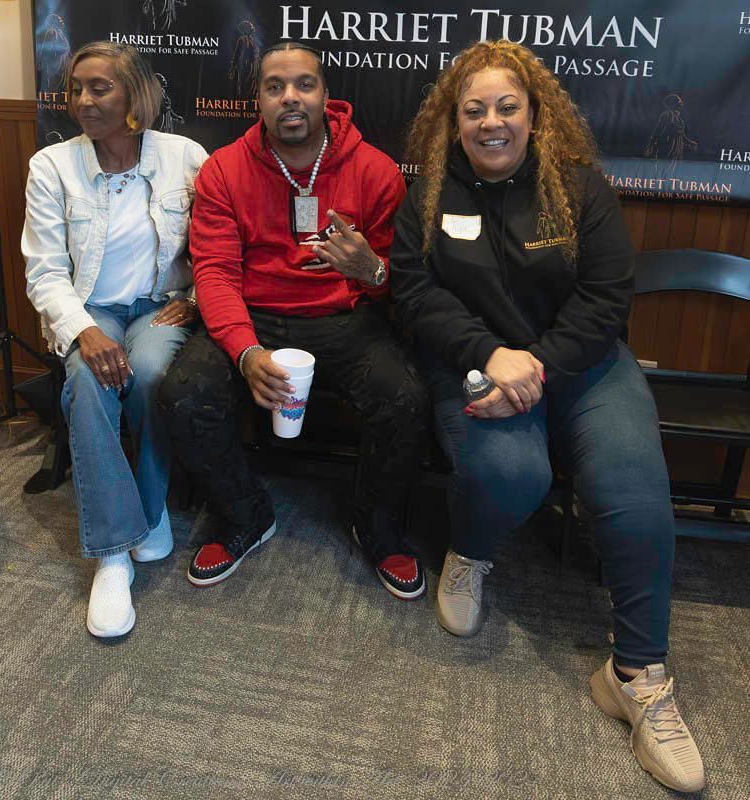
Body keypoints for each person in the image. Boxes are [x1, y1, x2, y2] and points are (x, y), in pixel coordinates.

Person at [390, 40, 704, 793]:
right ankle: (468, 552)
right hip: (473, 367)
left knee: (632, 499)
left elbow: (605, 299)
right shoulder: (429, 193)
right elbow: (410, 291)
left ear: (534, 115)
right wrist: (485, 353)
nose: (491, 122)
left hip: (584, 367)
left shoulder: (578, 188)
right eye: (474, 110)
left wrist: (534, 366)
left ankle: (635, 675)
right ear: (451, 120)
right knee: (510, 472)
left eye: (507, 107)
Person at [158, 42, 428, 599]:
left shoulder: (375, 171)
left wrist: (371, 269)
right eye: (275, 86)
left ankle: (375, 528)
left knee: (405, 397)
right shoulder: (224, 171)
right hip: (253, 319)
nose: (290, 97)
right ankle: (246, 516)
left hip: (344, 318)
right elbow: (214, 273)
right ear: (257, 99)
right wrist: (244, 351)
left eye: (304, 84)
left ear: (327, 96)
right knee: (184, 393)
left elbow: (403, 284)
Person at [22, 42, 208, 638]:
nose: (83, 100)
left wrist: (197, 300)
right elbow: (45, 272)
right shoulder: (51, 167)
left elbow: (218, 246)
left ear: (134, 93)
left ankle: (150, 515)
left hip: (160, 304)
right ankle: (111, 553)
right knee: (86, 377)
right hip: (90, 306)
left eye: (99, 87)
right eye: (76, 88)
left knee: (151, 373)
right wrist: (82, 331)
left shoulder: (185, 156)